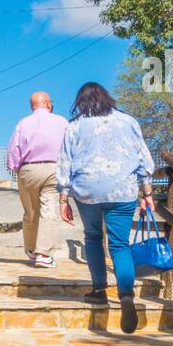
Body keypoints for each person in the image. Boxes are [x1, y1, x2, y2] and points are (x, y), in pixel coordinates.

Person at [56, 82, 155, 333]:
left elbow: (65, 161)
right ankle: (125, 294)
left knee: (92, 237)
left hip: (87, 189)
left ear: (80, 102)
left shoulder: (74, 126)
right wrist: (147, 192)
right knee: (119, 244)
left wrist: (63, 197)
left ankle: (99, 290)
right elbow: (143, 157)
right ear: (107, 99)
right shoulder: (128, 121)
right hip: (122, 189)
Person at [5, 91, 68, 268]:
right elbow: (69, 146)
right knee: (49, 210)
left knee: (30, 212)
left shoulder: (23, 123)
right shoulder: (62, 121)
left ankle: (32, 249)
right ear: (48, 104)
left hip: (28, 169)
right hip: (53, 167)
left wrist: (15, 168)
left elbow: (13, 149)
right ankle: (44, 254)